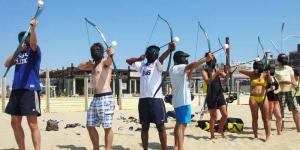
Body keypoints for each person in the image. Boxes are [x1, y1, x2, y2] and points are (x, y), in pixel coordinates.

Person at [126, 43, 175, 150]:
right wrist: (139, 58)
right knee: (144, 127)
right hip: (143, 100)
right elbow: (128, 61)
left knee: (161, 127)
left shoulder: (157, 64)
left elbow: (161, 58)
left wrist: (169, 50)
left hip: (156, 100)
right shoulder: (142, 66)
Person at [4, 19, 41, 150]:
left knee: (32, 124)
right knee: (14, 123)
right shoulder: (19, 53)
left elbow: (34, 42)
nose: (23, 41)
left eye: (25, 39)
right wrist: (17, 49)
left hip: (29, 91)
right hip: (16, 90)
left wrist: (32, 29)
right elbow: (6, 63)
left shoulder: (34, 51)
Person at [170, 51, 213, 149]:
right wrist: (205, 59)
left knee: (179, 124)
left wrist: (191, 70)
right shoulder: (178, 67)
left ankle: (176, 146)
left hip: (180, 100)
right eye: (184, 58)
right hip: (182, 101)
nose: (185, 59)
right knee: (182, 125)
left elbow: (188, 80)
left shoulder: (176, 70)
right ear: (179, 58)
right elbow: (192, 64)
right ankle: (180, 147)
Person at [79, 43, 115, 150]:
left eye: (98, 49)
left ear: (102, 51)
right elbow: (80, 66)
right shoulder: (92, 65)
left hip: (106, 97)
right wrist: (88, 63)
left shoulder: (105, 63)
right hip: (95, 99)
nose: (96, 51)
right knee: (90, 125)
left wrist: (111, 54)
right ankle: (96, 148)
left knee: (107, 127)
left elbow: (109, 61)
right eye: (94, 50)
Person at [239, 60, 271, 141]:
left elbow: (270, 82)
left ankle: (267, 135)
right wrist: (252, 71)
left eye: (258, 68)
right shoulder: (251, 74)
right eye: (255, 68)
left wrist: (268, 74)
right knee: (254, 118)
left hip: (263, 97)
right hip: (253, 98)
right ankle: (255, 135)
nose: (257, 69)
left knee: (265, 118)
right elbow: (240, 71)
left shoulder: (265, 74)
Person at [201, 53, 229, 139]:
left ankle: (220, 129)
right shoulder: (204, 70)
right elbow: (207, 81)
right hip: (211, 95)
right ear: (207, 59)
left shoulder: (216, 69)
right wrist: (216, 74)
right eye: (211, 56)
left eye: (213, 56)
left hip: (219, 94)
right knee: (214, 117)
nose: (213, 58)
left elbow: (224, 79)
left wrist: (228, 73)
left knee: (225, 114)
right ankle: (212, 135)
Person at [275, 54, 300, 132]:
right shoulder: (275, 69)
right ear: (279, 60)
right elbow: (274, 82)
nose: (284, 61)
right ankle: (281, 129)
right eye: (283, 59)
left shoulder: (289, 68)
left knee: (295, 110)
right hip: (280, 92)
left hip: (290, 91)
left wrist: (296, 85)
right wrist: (283, 81)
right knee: (281, 111)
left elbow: (292, 79)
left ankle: (299, 129)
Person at [265, 65, 282, 135]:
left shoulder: (275, 78)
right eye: (271, 69)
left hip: (276, 100)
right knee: (269, 118)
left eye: (273, 69)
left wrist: (276, 91)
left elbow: (279, 88)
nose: (272, 70)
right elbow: (263, 90)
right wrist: (269, 89)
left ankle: (279, 131)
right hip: (269, 100)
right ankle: (269, 132)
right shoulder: (265, 78)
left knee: (279, 117)